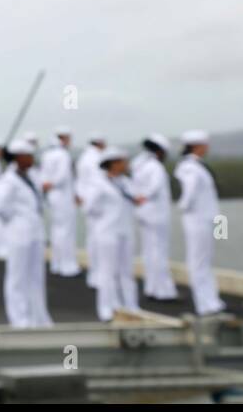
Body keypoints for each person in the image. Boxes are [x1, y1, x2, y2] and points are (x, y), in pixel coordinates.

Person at [0, 141, 53, 328]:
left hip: (35, 232)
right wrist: (18, 223)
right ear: (18, 158)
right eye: (28, 156)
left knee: (36, 277)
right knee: (17, 278)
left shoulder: (32, 176)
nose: (32, 159)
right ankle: (19, 319)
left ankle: (39, 317)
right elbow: (2, 208)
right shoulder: (8, 180)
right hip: (19, 233)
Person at [83, 148, 141, 321]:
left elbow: (132, 199)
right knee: (107, 271)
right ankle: (107, 308)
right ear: (114, 163)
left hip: (125, 230)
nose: (126, 164)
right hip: (107, 231)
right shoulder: (98, 184)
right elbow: (89, 208)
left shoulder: (125, 182)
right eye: (123, 161)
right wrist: (106, 216)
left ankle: (131, 306)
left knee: (126, 271)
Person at [175, 130, 226, 315]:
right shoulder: (189, 167)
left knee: (206, 260)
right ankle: (203, 303)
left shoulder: (197, 165)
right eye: (205, 144)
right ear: (197, 146)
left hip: (206, 218)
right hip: (197, 219)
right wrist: (184, 208)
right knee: (198, 261)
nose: (207, 147)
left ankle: (211, 299)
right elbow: (189, 193)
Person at [132, 135, 178, 301]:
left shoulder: (139, 165)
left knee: (149, 251)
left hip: (143, 213)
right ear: (160, 151)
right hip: (157, 215)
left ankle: (151, 287)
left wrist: (140, 199)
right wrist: (144, 196)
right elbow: (154, 187)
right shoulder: (155, 167)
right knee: (160, 252)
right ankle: (164, 290)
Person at [40, 127, 80, 276]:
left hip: (52, 196)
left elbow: (43, 177)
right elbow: (63, 177)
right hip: (63, 196)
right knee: (67, 231)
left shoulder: (46, 154)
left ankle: (56, 263)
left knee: (57, 230)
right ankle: (67, 265)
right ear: (63, 138)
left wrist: (48, 185)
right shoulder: (62, 155)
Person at [75, 134, 108, 287]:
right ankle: (99, 275)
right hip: (97, 204)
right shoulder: (96, 158)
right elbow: (99, 183)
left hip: (88, 202)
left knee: (92, 239)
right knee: (100, 241)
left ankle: (95, 274)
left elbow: (80, 181)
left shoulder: (84, 157)